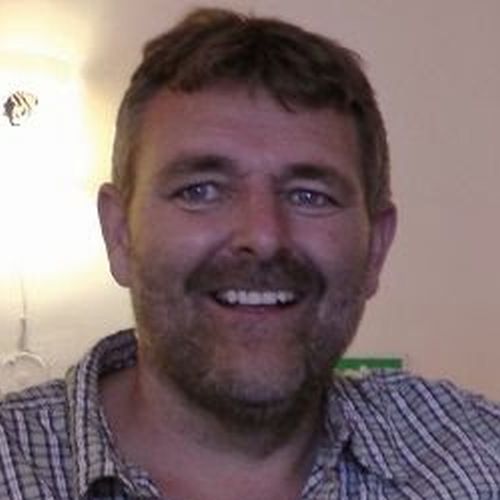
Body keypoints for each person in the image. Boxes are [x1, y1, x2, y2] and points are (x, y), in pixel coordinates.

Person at [1, 7, 499, 499]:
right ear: (119, 234)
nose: (263, 236)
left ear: (376, 248)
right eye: (200, 190)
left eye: (310, 195)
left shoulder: (480, 457)